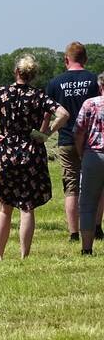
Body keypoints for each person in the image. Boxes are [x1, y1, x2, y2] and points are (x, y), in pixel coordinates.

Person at [0, 55, 69, 260]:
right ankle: (24, 256)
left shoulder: (1, 93)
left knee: (4, 208)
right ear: (33, 75)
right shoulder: (39, 96)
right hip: (32, 152)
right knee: (27, 207)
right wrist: (48, 133)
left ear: (16, 72)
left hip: (6, 151)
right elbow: (64, 114)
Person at [45, 42, 102, 242]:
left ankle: (74, 233)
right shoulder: (94, 80)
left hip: (66, 140)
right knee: (97, 186)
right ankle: (96, 227)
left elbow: (46, 113)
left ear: (66, 60)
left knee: (71, 186)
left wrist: (44, 134)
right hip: (93, 141)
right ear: (85, 59)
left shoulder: (55, 83)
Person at [74, 74, 104, 255]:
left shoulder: (90, 104)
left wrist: (81, 153)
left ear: (100, 85)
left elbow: (78, 131)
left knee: (87, 204)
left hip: (93, 154)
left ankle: (87, 248)